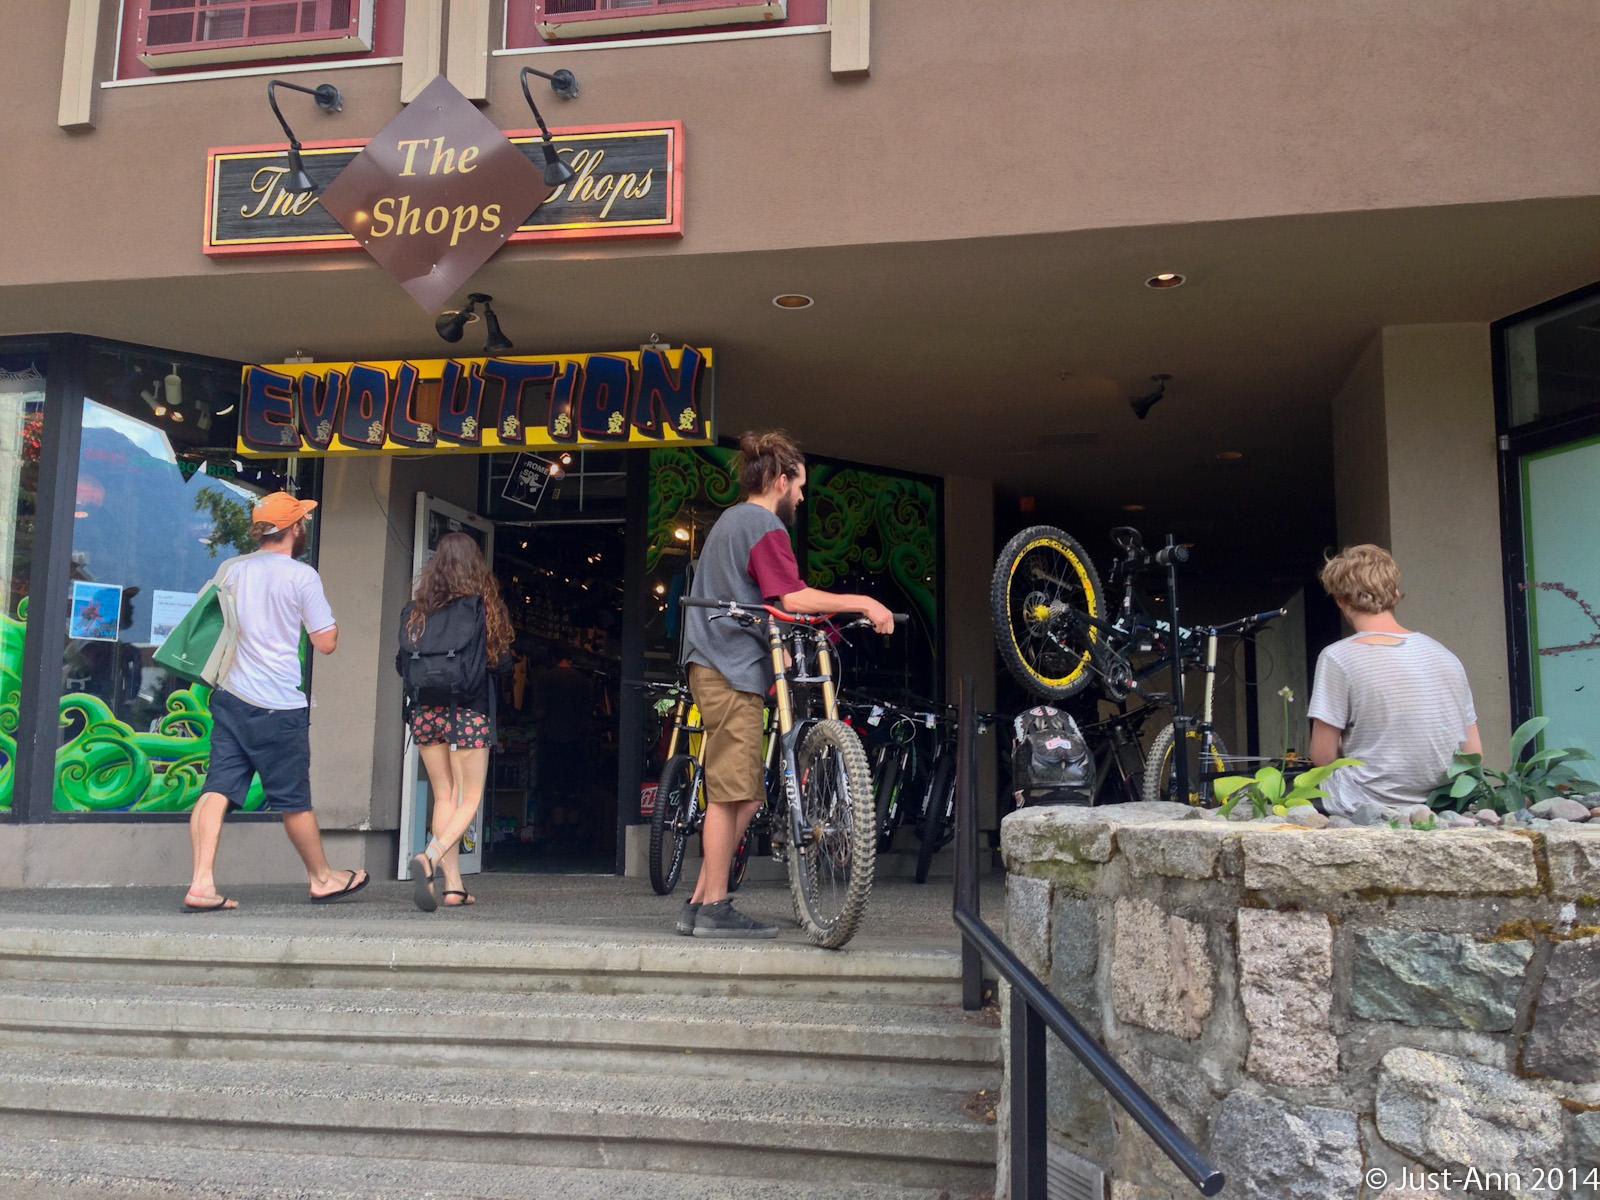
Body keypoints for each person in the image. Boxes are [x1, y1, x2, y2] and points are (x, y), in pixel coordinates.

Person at [678, 430, 895, 939]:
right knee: (731, 797)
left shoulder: (730, 521)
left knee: (746, 796)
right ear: (780, 481)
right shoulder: (761, 523)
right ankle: (714, 907)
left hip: (716, 663)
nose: (802, 496)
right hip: (729, 667)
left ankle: (697, 903)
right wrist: (862, 602)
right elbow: (791, 597)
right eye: (799, 486)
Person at [183, 492, 366, 912]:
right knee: (293, 799)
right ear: (295, 529)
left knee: (218, 789)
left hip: (230, 696)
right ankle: (322, 878)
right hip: (278, 705)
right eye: (302, 521)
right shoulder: (301, 576)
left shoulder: (231, 568)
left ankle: (201, 883)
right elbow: (326, 642)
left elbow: (206, 620)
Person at [1307, 544, 1482, 816]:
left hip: (1365, 802)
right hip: (1441, 803)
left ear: (1340, 600)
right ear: (1396, 595)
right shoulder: (1445, 655)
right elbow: (1473, 753)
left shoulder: (1337, 657)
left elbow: (1323, 757)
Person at [401, 531, 514, 911]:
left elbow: (401, 664)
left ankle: (453, 887)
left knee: (443, 794)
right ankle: (429, 858)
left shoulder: (415, 610)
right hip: (469, 709)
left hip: (425, 713)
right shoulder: (482, 607)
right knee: (469, 798)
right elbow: (500, 662)